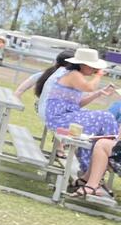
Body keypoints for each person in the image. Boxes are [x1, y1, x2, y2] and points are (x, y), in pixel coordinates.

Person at [42, 47, 119, 198]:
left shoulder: (73, 75)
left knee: (101, 123)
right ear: (82, 65)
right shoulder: (74, 74)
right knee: (105, 118)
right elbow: (89, 86)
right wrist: (99, 75)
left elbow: (77, 104)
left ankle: (91, 173)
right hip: (60, 119)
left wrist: (98, 94)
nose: (94, 70)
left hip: (67, 116)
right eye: (93, 67)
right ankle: (104, 164)